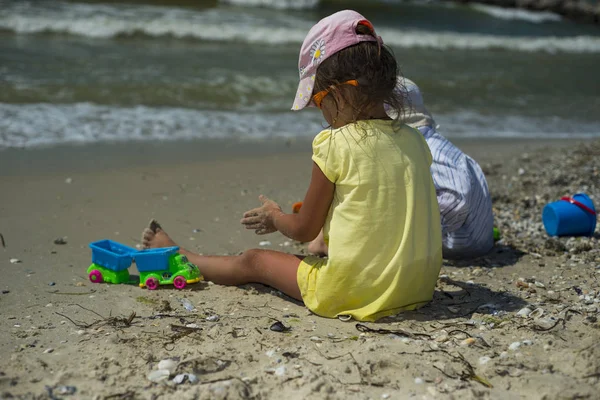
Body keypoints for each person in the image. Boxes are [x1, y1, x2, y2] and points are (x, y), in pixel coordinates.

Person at [142, 10, 442, 322]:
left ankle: (182, 257)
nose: (319, 110)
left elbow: (303, 229)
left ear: (338, 93)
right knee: (315, 253)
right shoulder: (414, 141)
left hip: (354, 291)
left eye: (318, 99)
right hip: (416, 286)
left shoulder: (336, 143)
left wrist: (276, 217)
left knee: (255, 261)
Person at [308, 78, 495, 260]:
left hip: (462, 242)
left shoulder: (421, 148)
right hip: (476, 238)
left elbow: (456, 199)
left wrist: (414, 228)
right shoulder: (434, 144)